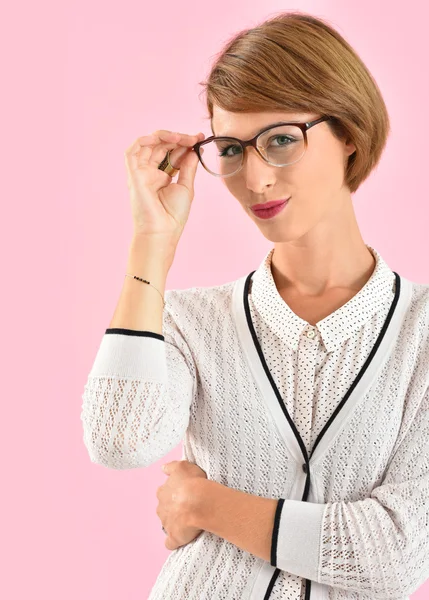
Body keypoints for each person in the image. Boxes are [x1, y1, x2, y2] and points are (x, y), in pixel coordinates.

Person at [80, 10, 429, 600]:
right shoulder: (193, 323)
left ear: (349, 134)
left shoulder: (418, 332)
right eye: (233, 149)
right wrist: (152, 241)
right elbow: (119, 440)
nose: (256, 178)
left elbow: (396, 552)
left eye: (282, 141)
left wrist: (206, 503)